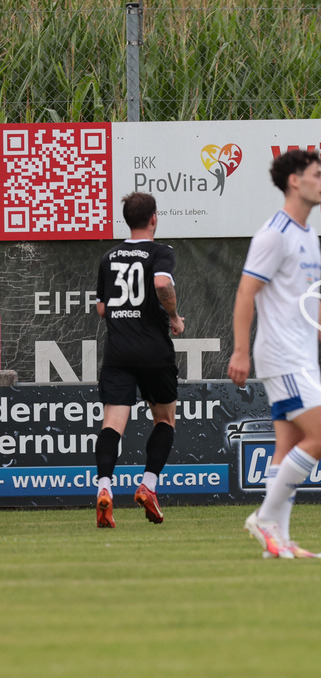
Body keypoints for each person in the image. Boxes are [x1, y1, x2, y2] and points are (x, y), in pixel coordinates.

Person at [228, 149, 321, 559]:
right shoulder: (274, 233)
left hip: (301, 356)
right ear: (295, 181)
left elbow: (310, 298)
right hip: (280, 356)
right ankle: (265, 519)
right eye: (319, 175)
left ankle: (277, 542)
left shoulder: (309, 235)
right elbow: (246, 292)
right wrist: (241, 352)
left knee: (288, 447)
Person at [93, 192, 185, 528]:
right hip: (153, 351)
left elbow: (103, 308)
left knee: (111, 426)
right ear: (154, 219)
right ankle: (148, 485)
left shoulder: (110, 256)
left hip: (118, 352)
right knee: (164, 420)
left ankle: (104, 488)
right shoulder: (161, 252)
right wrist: (173, 316)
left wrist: (124, 314)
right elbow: (162, 282)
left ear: (126, 220)